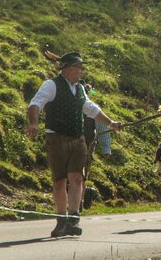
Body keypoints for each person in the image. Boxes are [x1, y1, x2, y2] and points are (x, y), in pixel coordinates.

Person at [25, 52, 122, 237]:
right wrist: (33, 123)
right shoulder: (51, 85)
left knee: (77, 178)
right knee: (60, 181)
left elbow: (90, 108)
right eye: (79, 68)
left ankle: (73, 220)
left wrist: (111, 123)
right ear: (69, 69)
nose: (81, 72)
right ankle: (61, 220)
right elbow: (35, 104)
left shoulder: (80, 88)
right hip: (57, 139)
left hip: (78, 140)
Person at [80, 83, 112, 210]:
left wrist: (106, 149)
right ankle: (84, 194)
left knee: (80, 175)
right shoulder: (69, 107)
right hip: (68, 144)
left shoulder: (93, 109)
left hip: (86, 147)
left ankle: (78, 204)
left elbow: (103, 129)